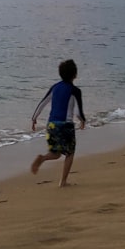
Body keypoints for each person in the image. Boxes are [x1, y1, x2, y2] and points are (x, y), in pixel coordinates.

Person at [30, 59, 86, 187]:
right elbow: (78, 111)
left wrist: (34, 118)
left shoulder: (54, 87)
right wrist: (82, 121)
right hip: (65, 125)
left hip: (51, 125)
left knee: (56, 153)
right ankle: (63, 182)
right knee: (70, 153)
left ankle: (43, 158)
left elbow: (42, 103)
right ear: (75, 74)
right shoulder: (75, 90)